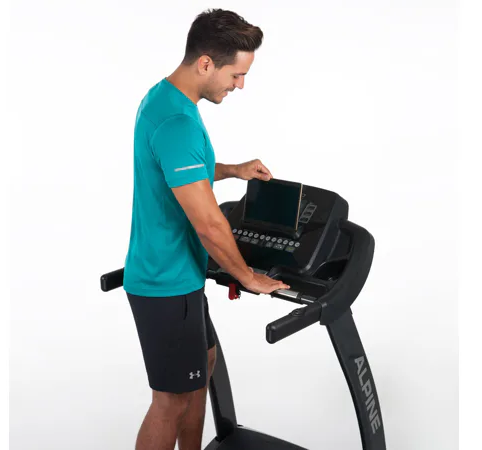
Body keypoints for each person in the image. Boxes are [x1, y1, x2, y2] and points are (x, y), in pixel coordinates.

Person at [122, 8, 290, 450]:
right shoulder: (178, 123)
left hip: (178, 275)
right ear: (205, 64)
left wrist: (233, 170)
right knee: (170, 402)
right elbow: (211, 226)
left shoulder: (164, 99)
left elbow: (180, 173)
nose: (240, 85)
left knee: (205, 364)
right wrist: (248, 277)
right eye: (236, 75)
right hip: (166, 282)